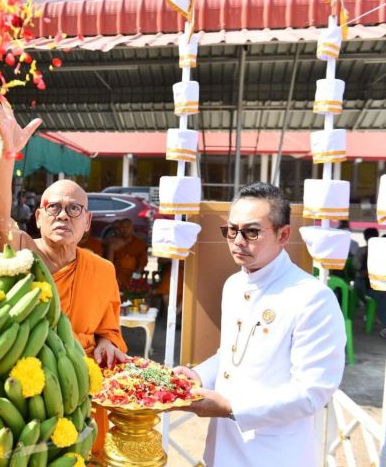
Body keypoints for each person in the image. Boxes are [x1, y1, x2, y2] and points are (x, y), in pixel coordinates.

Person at [0, 95, 127, 457]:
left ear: (87, 222)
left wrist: (108, 342)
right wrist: (7, 154)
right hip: (23, 395)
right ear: (38, 217)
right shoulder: (20, 255)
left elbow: (107, 329)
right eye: (54, 207)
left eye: (74, 208)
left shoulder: (102, 269)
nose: (64, 215)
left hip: (81, 392)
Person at [174, 182, 346, 467]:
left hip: (274, 453)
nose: (238, 240)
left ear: (283, 234)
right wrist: (198, 376)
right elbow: (231, 356)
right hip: (223, 447)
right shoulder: (234, 284)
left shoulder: (312, 297)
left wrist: (232, 408)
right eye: (231, 230)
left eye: (251, 231)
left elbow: (313, 391)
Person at [105, 218, 149, 289]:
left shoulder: (139, 244)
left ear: (132, 228)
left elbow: (142, 264)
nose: (125, 230)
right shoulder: (113, 243)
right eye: (122, 227)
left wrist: (134, 279)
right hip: (116, 275)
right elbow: (109, 264)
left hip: (132, 276)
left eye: (127, 227)